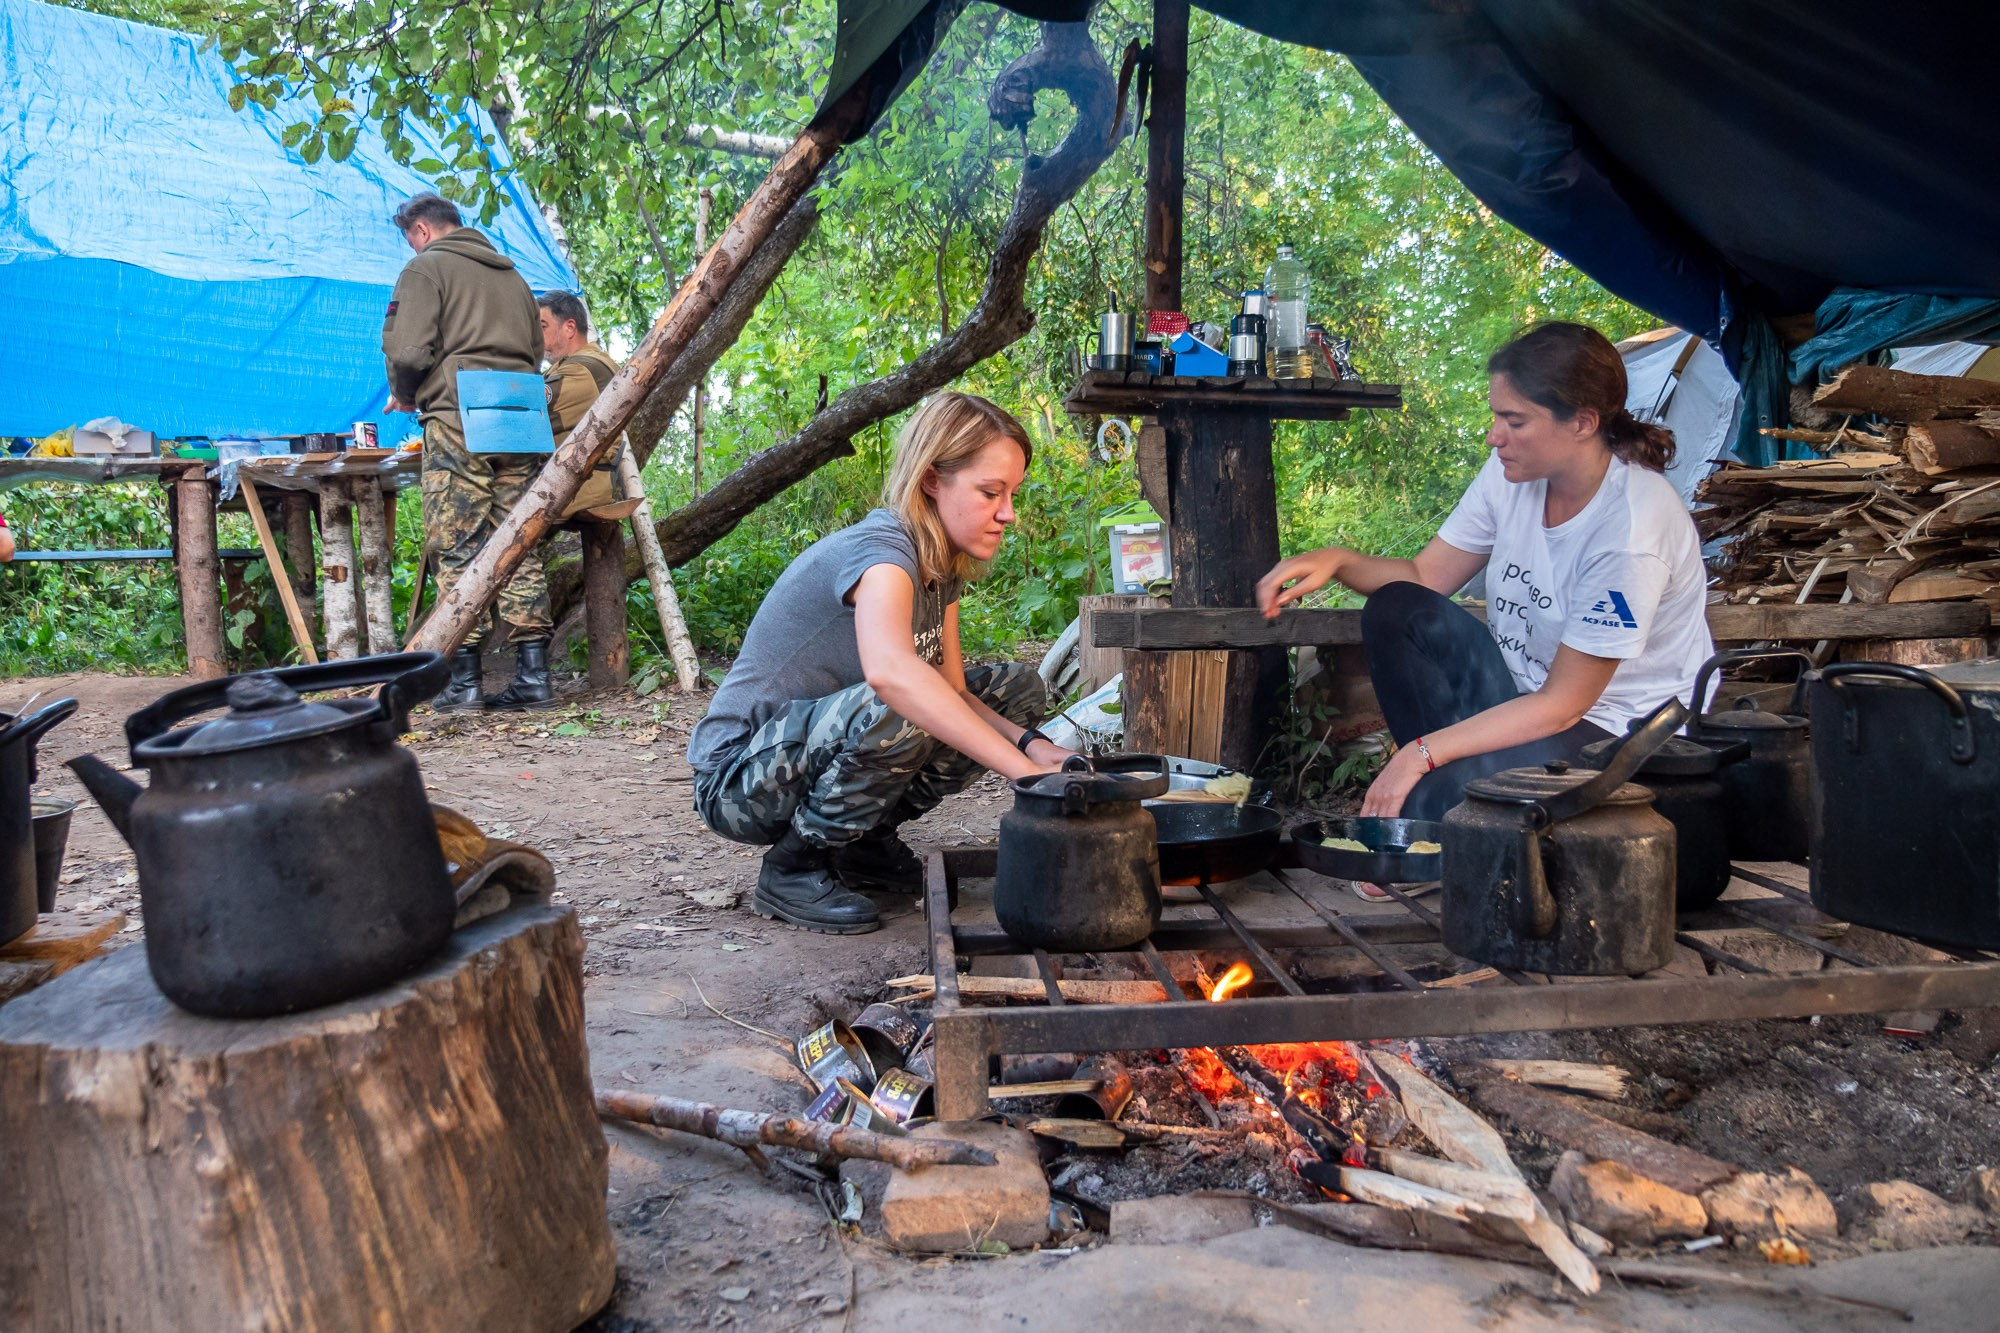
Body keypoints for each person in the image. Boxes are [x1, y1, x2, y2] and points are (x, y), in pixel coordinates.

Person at [1257, 322, 1712, 894]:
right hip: (1527, 701)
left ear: (1582, 422)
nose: (1495, 437)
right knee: (1397, 608)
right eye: (1496, 416)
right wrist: (1339, 559)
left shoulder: (1631, 530)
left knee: (1431, 802)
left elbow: (1564, 706)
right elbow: (1424, 578)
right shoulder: (1514, 476)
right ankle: (1447, 801)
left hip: (1615, 732)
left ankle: (1447, 810)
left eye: (1514, 421)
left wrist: (1418, 756)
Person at [687, 392, 1073, 934]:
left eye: (1012, 493)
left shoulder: (940, 565)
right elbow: (891, 675)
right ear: (932, 480)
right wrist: (1027, 779)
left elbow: (954, 693)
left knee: (1015, 690)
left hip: (815, 751)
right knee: (902, 702)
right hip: (738, 781)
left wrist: (1033, 747)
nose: (1007, 513)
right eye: (991, 492)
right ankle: (794, 864)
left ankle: (862, 843)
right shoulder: (884, 552)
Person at [381, 192, 555, 712]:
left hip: (459, 410)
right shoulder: (514, 277)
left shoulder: (426, 268)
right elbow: (536, 351)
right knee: (516, 537)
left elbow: (407, 349)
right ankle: (534, 677)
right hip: (520, 413)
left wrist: (407, 393)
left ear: (421, 231)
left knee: (458, 541)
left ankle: (465, 681)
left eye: (408, 239)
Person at [536, 292, 626, 517]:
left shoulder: (583, 369)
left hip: (573, 488)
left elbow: (532, 417)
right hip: (568, 482)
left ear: (569, 328)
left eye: (542, 326)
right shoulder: (582, 364)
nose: (536, 337)